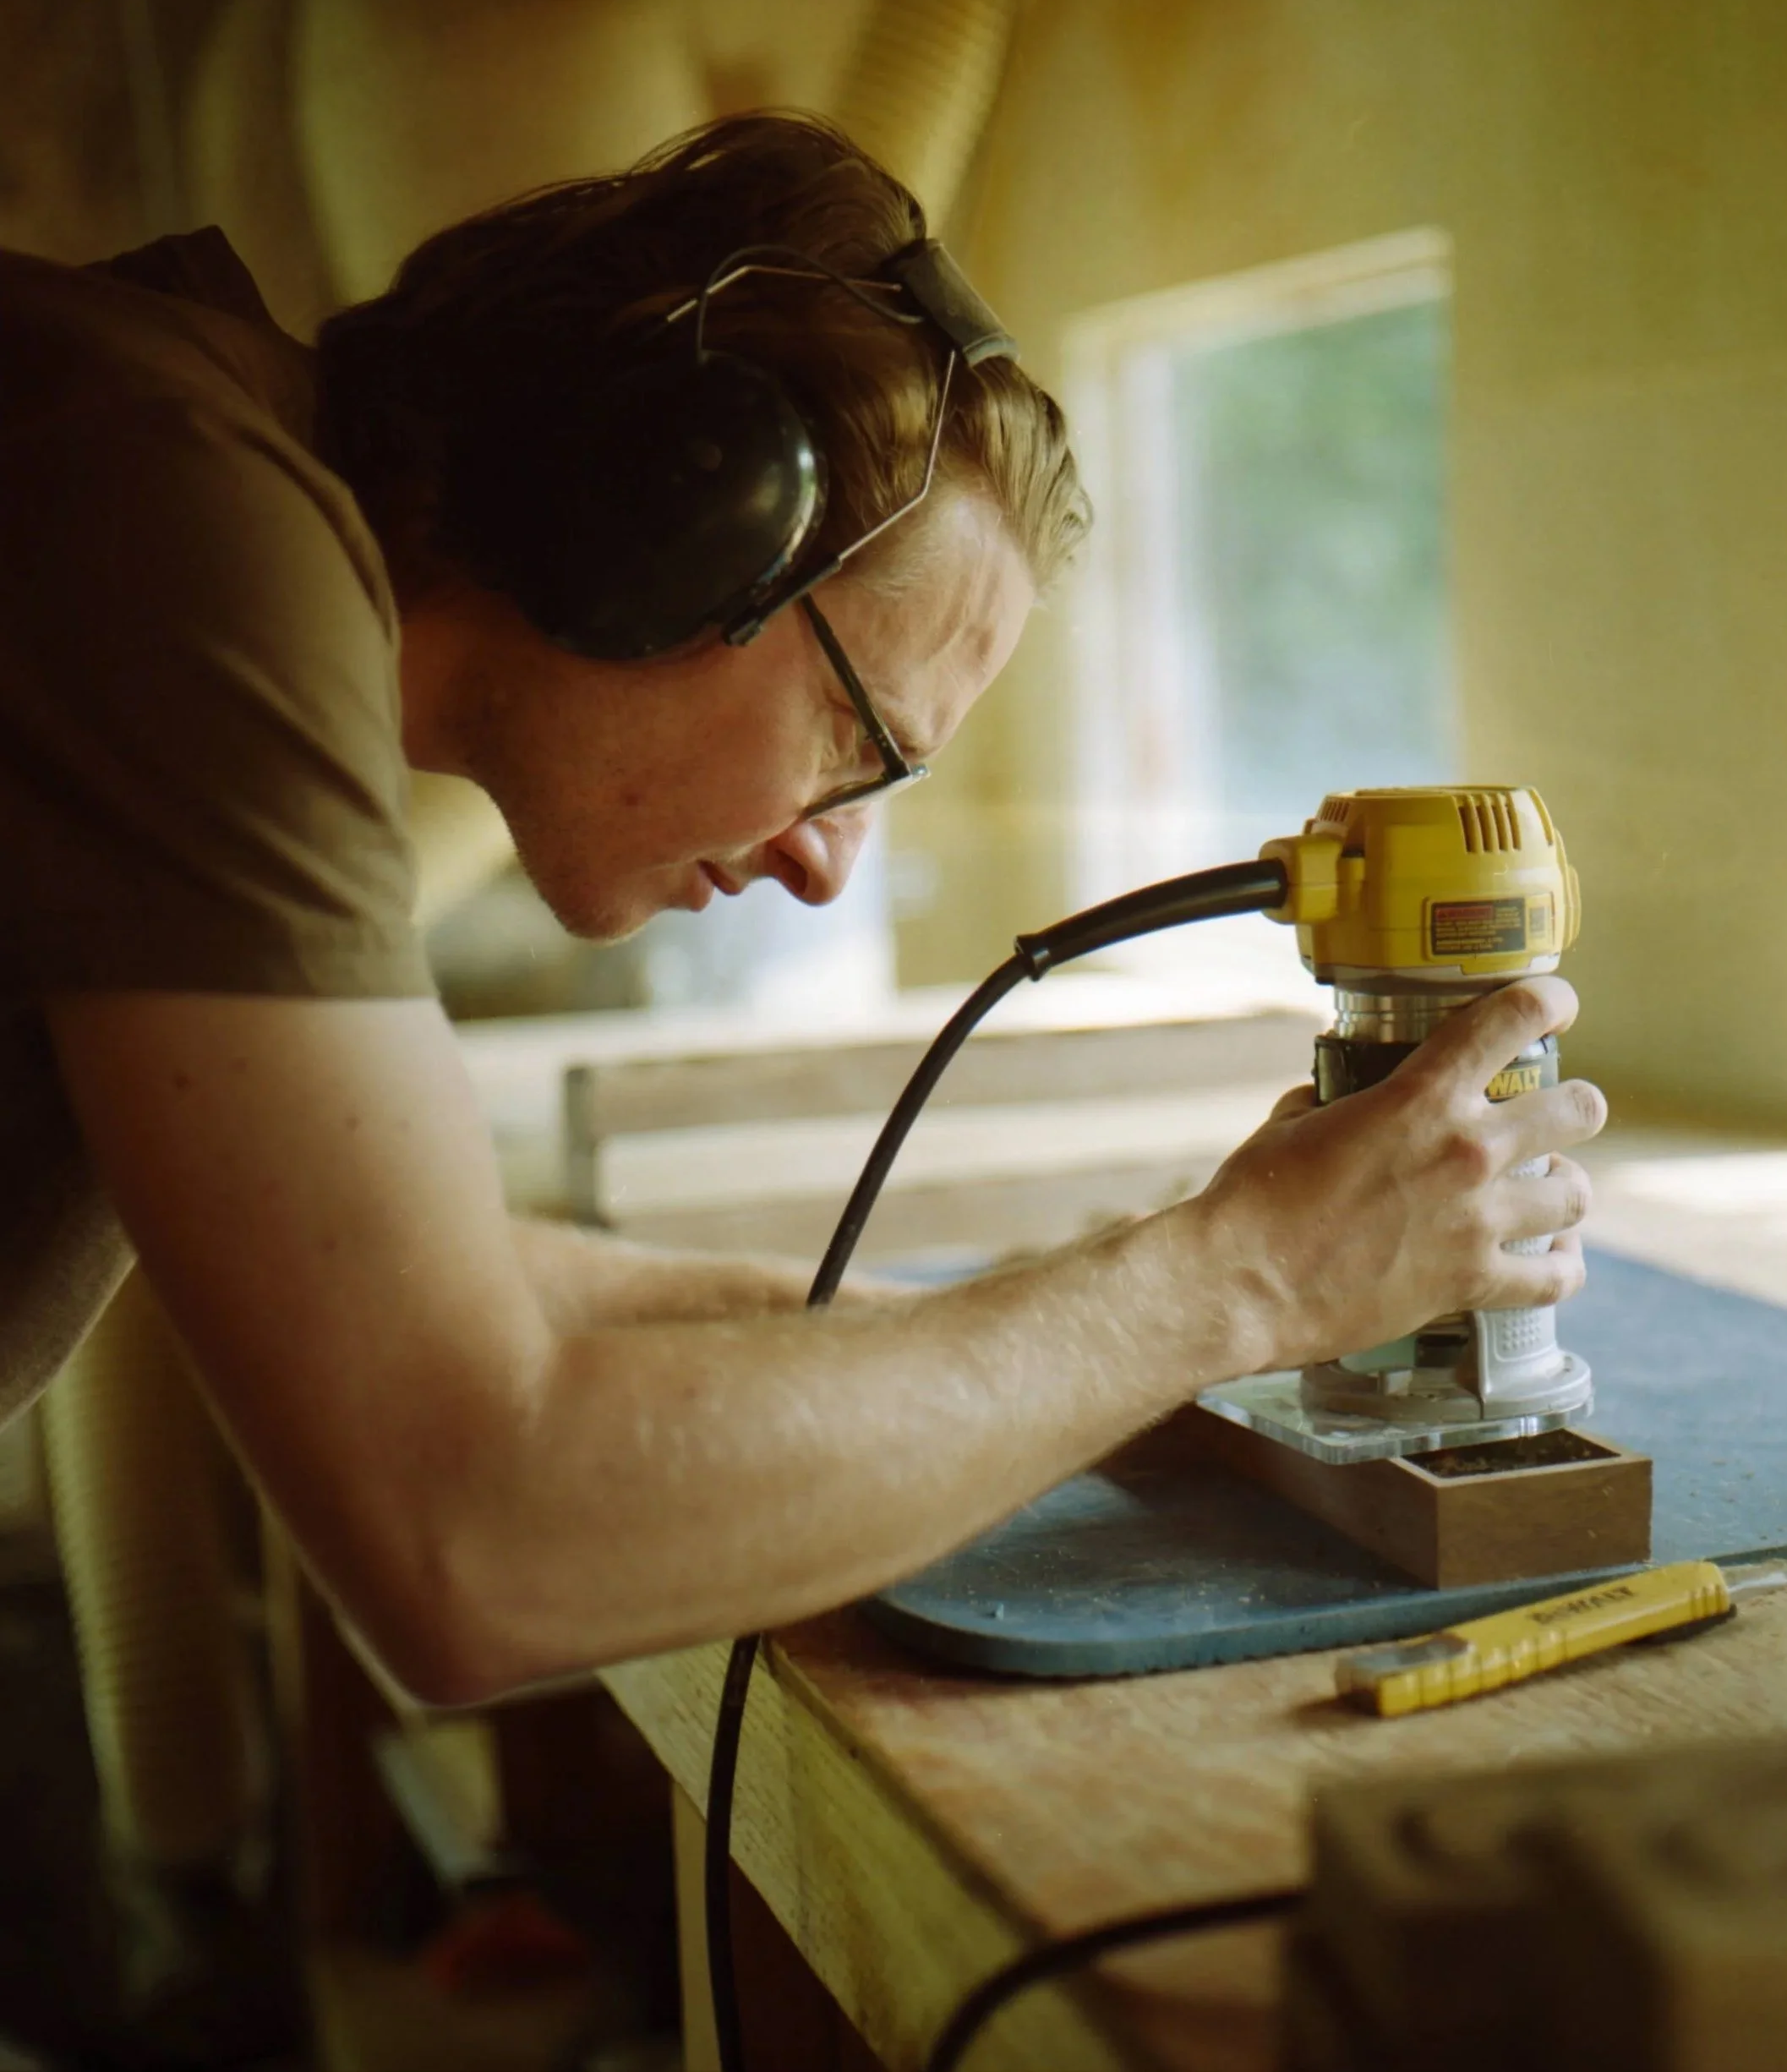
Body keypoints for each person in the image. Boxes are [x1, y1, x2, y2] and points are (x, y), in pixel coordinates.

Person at [0, 112, 1604, 1705]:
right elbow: (474, 1535)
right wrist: (1235, 1278)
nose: (823, 860)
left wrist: (1078, 1325)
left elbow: (432, 1286)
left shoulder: (159, 468)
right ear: (658, 523)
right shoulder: (175, 523)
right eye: (858, 740)